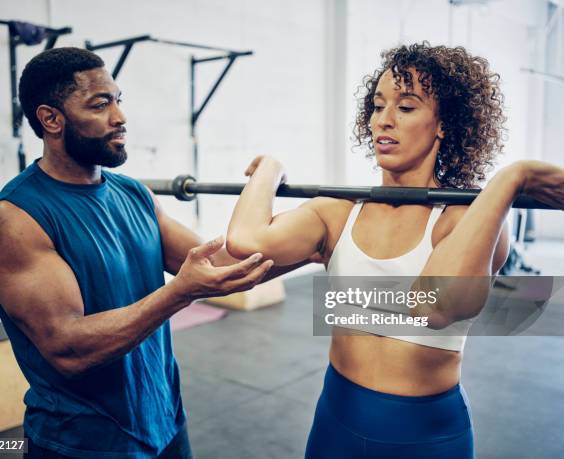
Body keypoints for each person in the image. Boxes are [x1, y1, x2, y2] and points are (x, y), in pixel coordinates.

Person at [226, 43, 564, 458]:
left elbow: (434, 305)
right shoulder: (338, 212)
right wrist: (270, 170)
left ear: (444, 123)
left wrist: (510, 179)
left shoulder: (463, 220)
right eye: (377, 105)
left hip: (425, 437)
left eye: (406, 107)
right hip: (335, 421)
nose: (383, 120)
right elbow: (246, 243)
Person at [0, 47, 309, 459]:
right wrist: (179, 293)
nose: (120, 117)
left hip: (164, 422)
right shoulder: (16, 218)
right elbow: (67, 349)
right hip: (81, 443)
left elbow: (227, 266)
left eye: (118, 100)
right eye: (101, 105)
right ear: (51, 119)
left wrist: (315, 237)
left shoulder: (134, 194)